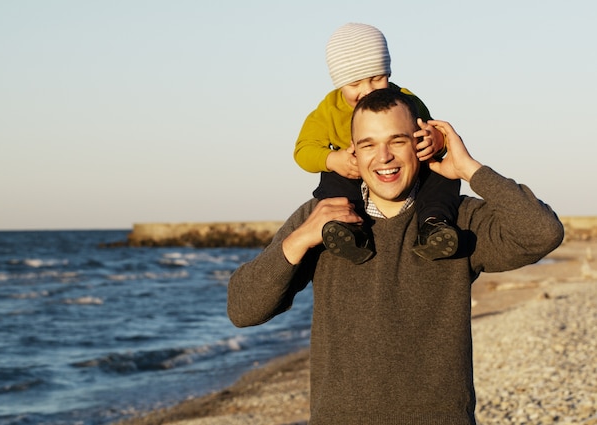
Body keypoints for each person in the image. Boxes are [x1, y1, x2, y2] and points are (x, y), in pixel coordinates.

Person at [228, 88, 564, 424]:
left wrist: (470, 169)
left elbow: (542, 232)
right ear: (354, 154)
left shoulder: (456, 222)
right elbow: (243, 309)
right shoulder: (322, 219)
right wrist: (299, 240)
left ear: (419, 145)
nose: (384, 156)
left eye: (398, 141)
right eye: (369, 144)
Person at [295, 22, 462, 263]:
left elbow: (434, 129)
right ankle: (348, 230)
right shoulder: (328, 110)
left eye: (376, 78)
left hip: (406, 174)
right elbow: (303, 150)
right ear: (339, 83)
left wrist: (437, 140)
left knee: (441, 173)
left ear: (389, 72)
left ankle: (434, 225)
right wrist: (333, 159)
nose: (368, 90)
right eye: (355, 84)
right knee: (331, 181)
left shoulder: (406, 100)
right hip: (351, 173)